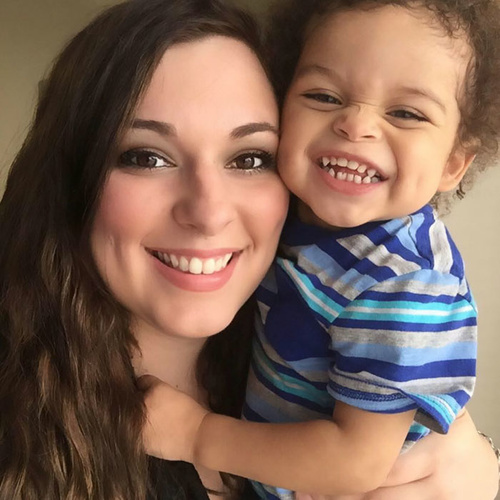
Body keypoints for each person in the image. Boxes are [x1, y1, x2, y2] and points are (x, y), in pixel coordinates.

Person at [0, 0, 498, 499]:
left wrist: (483, 472)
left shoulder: (389, 291)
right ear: (70, 176)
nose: (209, 212)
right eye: (147, 157)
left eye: (249, 158)